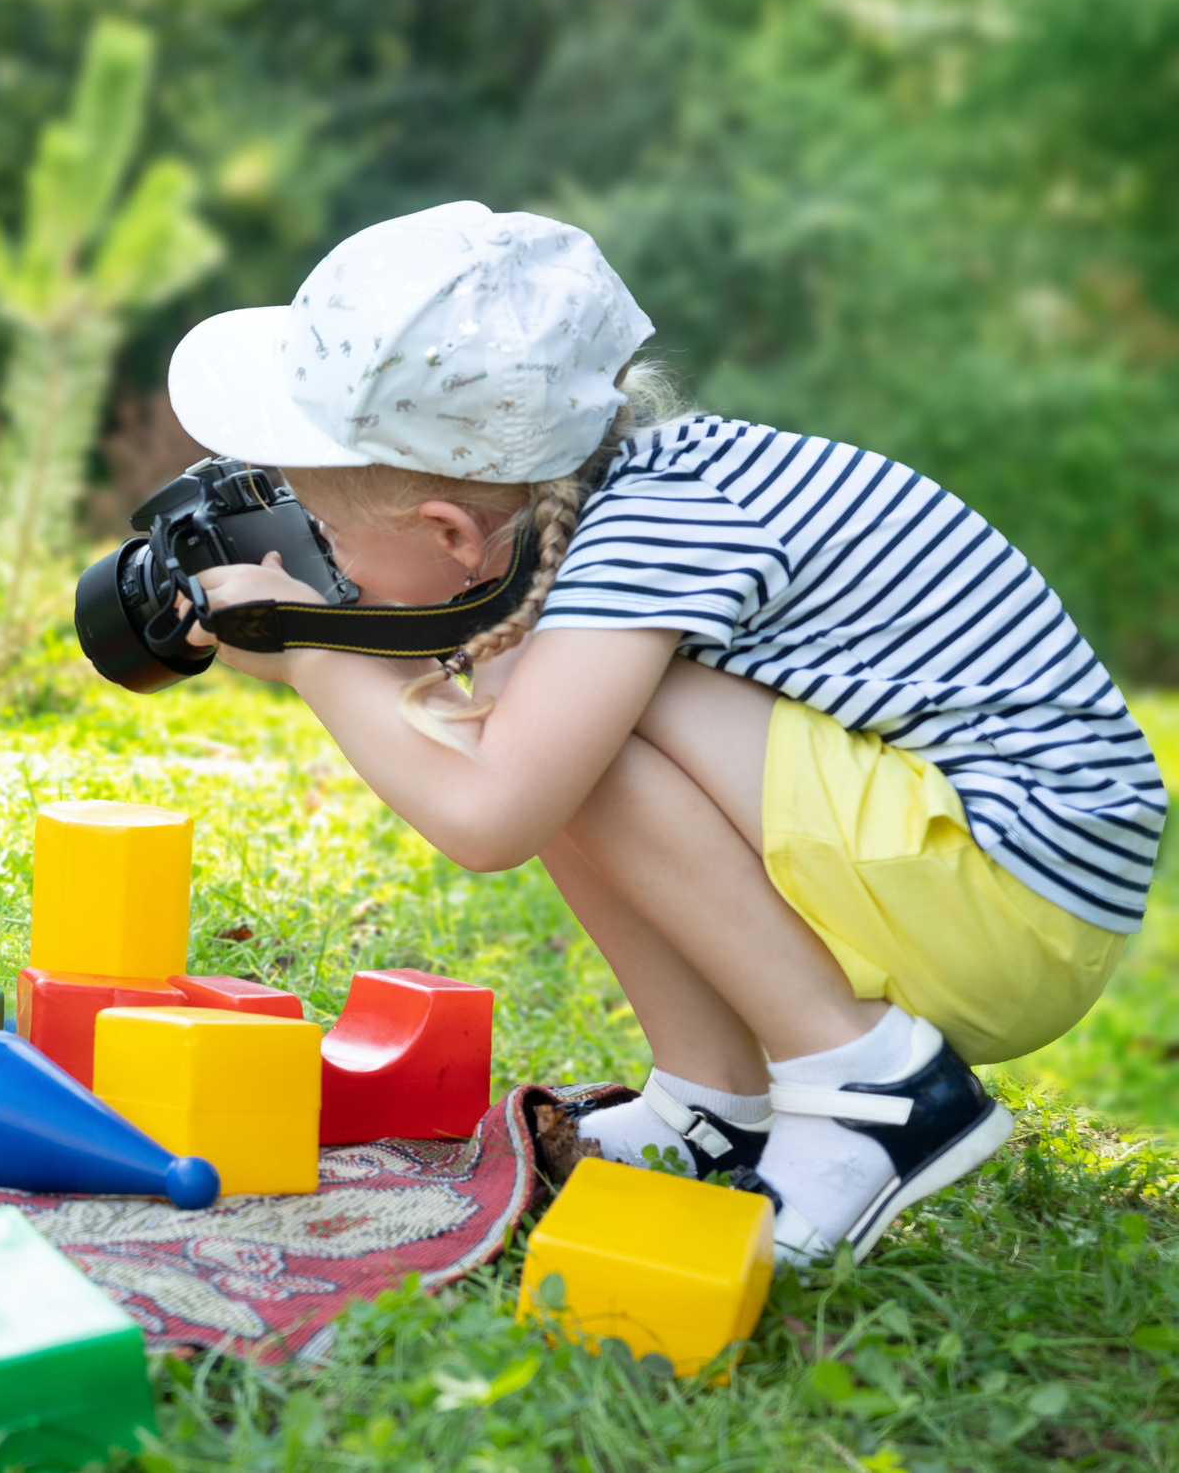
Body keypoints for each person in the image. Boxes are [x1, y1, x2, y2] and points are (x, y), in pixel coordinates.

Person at [164, 202, 1166, 1264]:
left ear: (451, 533)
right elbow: (466, 707)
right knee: (537, 703)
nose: (324, 558)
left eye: (325, 535)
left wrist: (317, 654)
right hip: (981, 873)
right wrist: (316, 640)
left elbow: (490, 812)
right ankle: (716, 1099)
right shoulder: (627, 498)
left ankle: (869, 1080)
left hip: (1004, 895)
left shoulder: (658, 530)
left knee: (543, 727)